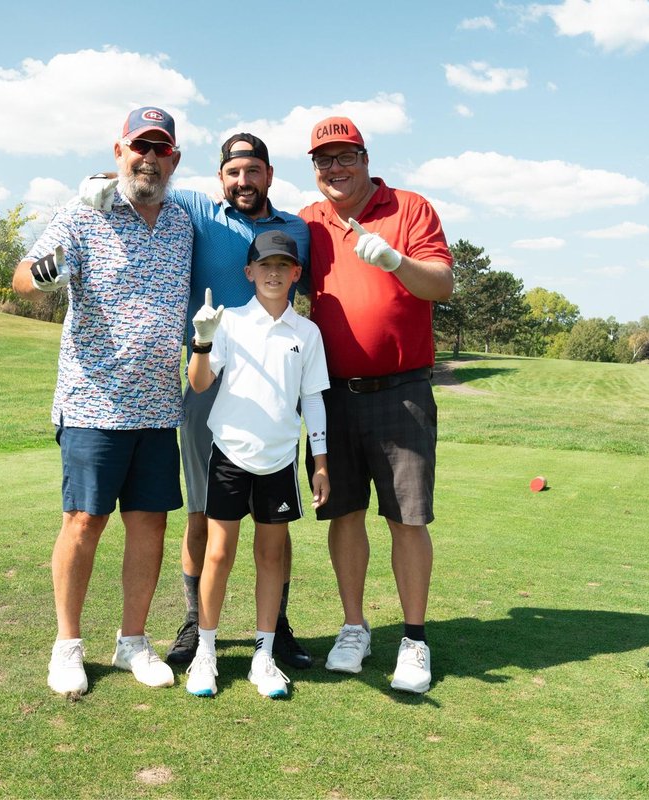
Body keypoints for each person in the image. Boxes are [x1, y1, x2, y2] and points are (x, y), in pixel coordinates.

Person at [80, 134, 314, 669]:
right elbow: (142, 178)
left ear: (269, 174)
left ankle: (276, 623)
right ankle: (194, 619)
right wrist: (96, 182)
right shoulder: (195, 208)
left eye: (252, 171)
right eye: (233, 173)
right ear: (220, 177)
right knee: (204, 508)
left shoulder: (297, 230)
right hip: (208, 379)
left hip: (274, 390)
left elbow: (316, 293)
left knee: (273, 517)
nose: (243, 182)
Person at [12, 106, 192, 696]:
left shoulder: (183, 222)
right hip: (93, 403)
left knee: (150, 523)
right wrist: (46, 272)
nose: (150, 158)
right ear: (120, 152)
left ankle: (132, 641)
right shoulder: (82, 212)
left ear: (174, 160)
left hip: (159, 407)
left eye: (161, 149)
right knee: (84, 520)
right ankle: (67, 645)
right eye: (140, 147)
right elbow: (23, 279)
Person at [299, 116, 455, 694]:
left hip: (401, 392)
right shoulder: (307, 222)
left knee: (406, 517)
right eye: (324, 160)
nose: (335, 168)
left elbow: (441, 284)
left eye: (346, 156)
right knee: (343, 513)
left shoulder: (409, 208)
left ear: (366, 159)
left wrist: (395, 261)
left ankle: (413, 639)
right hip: (331, 395)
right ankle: (353, 627)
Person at [182, 231, 330, 699]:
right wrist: (202, 342)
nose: (273, 273)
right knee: (218, 554)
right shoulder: (228, 322)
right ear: (249, 272)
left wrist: (320, 462)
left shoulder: (307, 333)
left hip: (280, 459)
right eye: (265, 265)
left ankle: (263, 656)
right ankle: (206, 652)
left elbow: (313, 399)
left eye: (283, 265)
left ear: (296, 273)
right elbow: (199, 384)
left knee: (271, 557)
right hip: (230, 453)